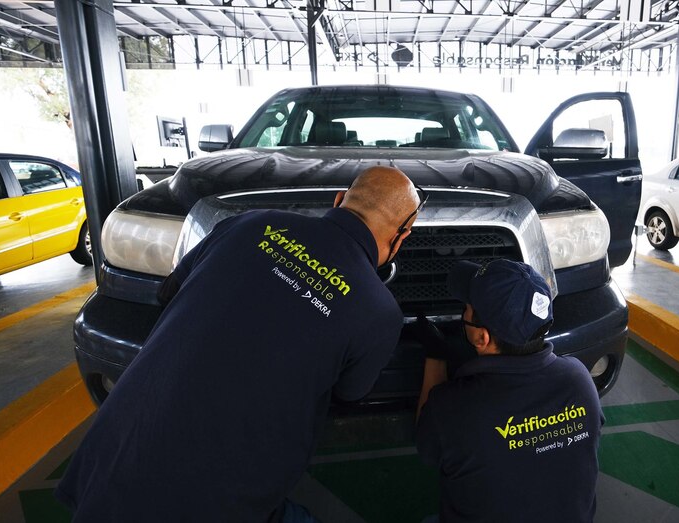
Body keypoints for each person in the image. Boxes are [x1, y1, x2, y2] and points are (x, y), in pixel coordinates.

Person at [55, 166, 425, 522]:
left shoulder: (251, 223)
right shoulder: (379, 311)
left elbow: (170, 292)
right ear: (403, 233)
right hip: (213, 501)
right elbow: (349, 392)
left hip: (111, 458)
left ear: (339, 198)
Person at [415, 259, 604, 523]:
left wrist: (435, 355)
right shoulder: (578, 379)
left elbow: (427, 448)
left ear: (482, 338)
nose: (464, 313)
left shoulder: (453, 405)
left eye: (467, 309)